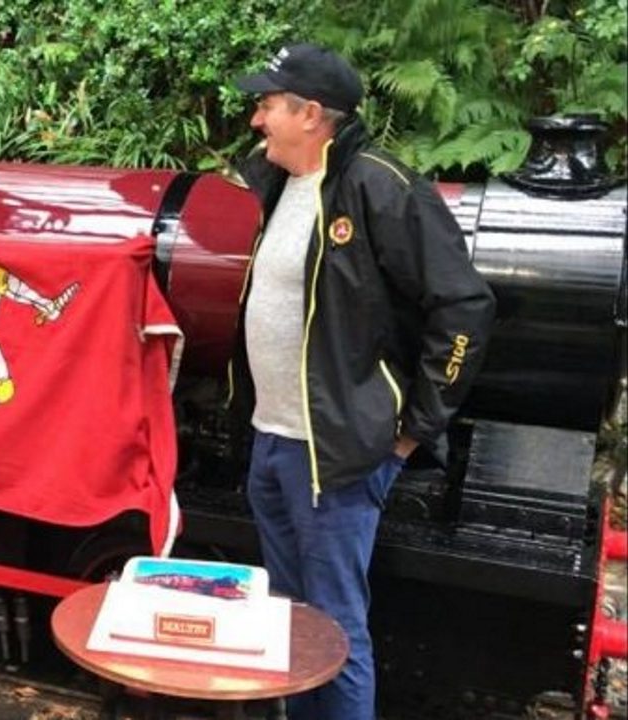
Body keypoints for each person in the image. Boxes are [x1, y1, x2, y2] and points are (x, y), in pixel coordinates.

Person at [228, 44, 496, 720]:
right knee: (287, 625)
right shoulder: (280, 182)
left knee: (335, 631)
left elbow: (463, 306)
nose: (256, 120)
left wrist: (413, 428)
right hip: (272, 440)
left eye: (266, 105)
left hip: (338, 455)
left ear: (310, 113)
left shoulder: (380, 186)